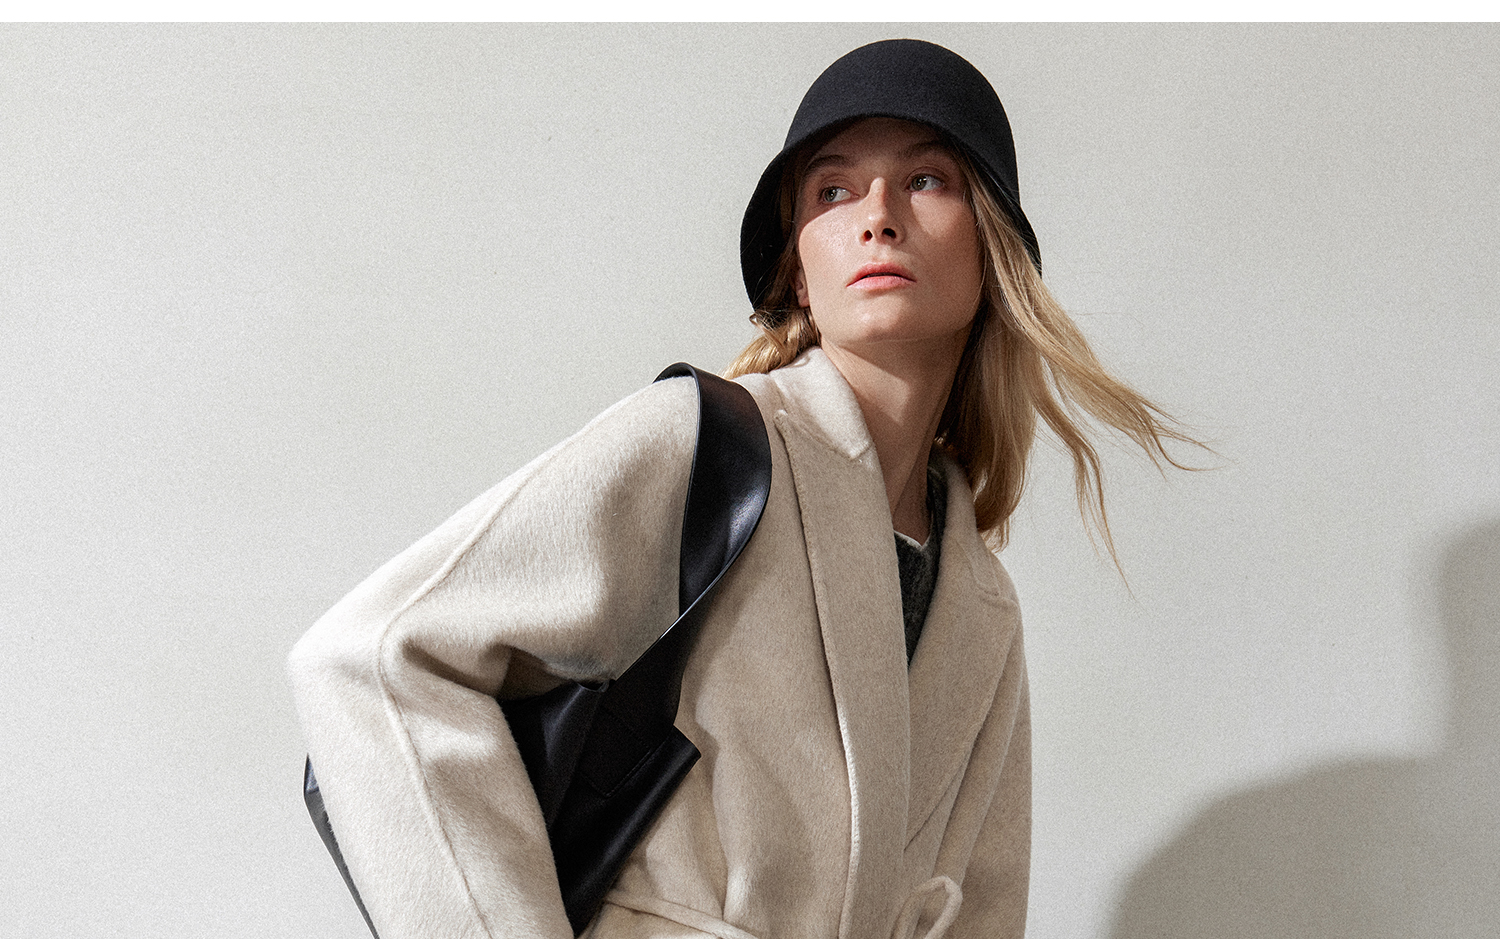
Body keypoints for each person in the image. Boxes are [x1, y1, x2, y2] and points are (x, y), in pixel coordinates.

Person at [289, 39, 1196, 939]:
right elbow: (371, 657)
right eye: (832, 191)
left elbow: (985, 911)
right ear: (798, 267)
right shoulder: (706, 449)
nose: (877, 217)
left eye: (926, 180)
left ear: (992, 248)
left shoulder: (982, 605)